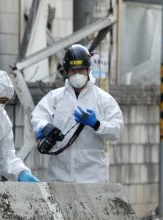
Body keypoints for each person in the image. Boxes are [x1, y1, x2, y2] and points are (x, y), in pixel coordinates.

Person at [31, 44, 123, 183]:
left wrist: (97, 124)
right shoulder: (55, 97)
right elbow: (38, 116)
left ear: (88, 70)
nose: (77, 75)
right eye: (73, 71)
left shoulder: (103, 99)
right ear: (66, 72)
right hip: (59, 177)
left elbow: (117, 130)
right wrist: (44, 127)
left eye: (81, 70)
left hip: (93, 179)